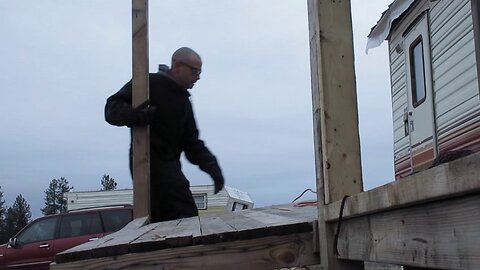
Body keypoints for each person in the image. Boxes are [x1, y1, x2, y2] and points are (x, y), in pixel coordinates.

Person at [104, 47, 225, 222]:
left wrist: (213, 168)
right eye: (194, 71)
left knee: (170, 216)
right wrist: (134, 115)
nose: (198, 76)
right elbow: (111, 108)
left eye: (200, 72)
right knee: (182, 212)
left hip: (170, 165)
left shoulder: (183, 101)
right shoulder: (148, 84)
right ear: (177, 66)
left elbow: (192, 143)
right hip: (146, 162)